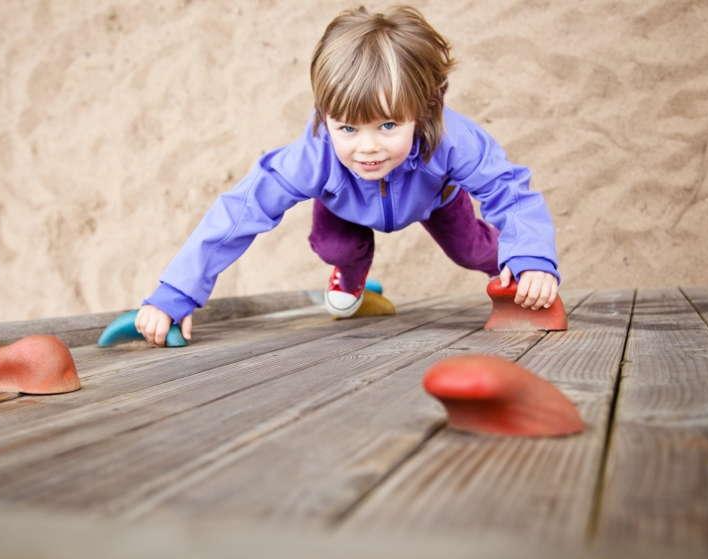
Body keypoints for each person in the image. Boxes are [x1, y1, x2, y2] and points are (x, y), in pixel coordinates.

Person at [136, 5, 560, 346]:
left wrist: (532, 258)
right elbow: (238, 214)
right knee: (336, 244)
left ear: (424, 108)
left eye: (388, 125)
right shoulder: (314, 156)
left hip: (432, 197)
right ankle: (351, 277)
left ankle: (512, 275)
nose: (367, 147)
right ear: (326, 116)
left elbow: (507, 189)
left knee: (473, 251)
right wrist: (176, 295)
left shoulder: (453, 139)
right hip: (346, 205)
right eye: (348, 128)